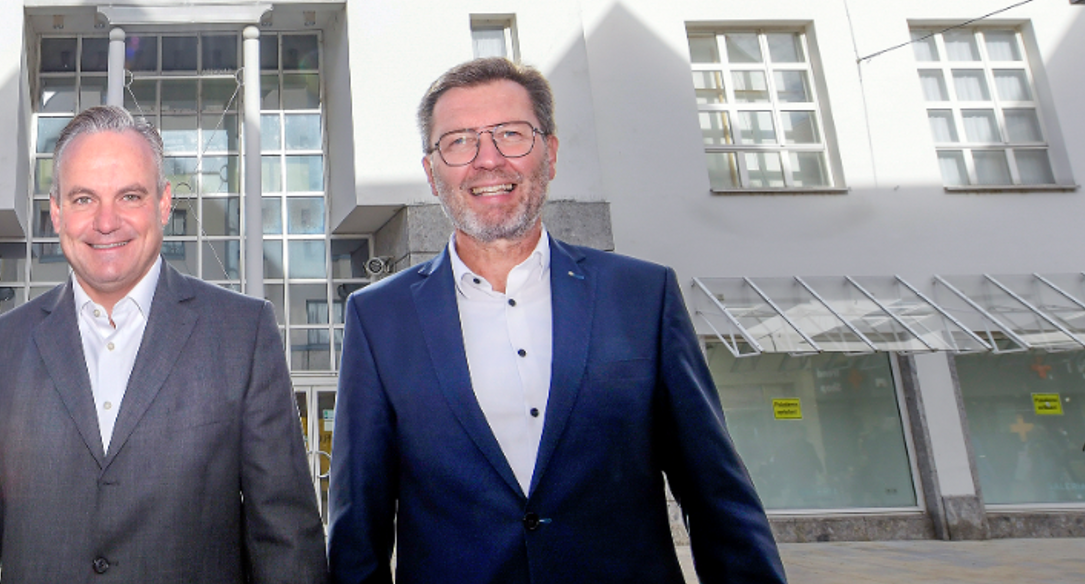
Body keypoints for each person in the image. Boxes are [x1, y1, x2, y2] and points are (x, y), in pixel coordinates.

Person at [327, 57, 785, 584]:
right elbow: (357, 527)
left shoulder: (642, 296)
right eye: (458, 141)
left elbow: (716, 497)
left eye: (511, 134)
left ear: (551, 154)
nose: (487, 160)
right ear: (432, 173)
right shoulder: (378, 317)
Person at [0, 105, 327, 584]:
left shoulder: (243, 334)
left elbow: (286, 540)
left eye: (129, 196)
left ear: (163, 203)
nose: (106, 221)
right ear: (56, 211)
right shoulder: (0, 348)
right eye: (83, 199)